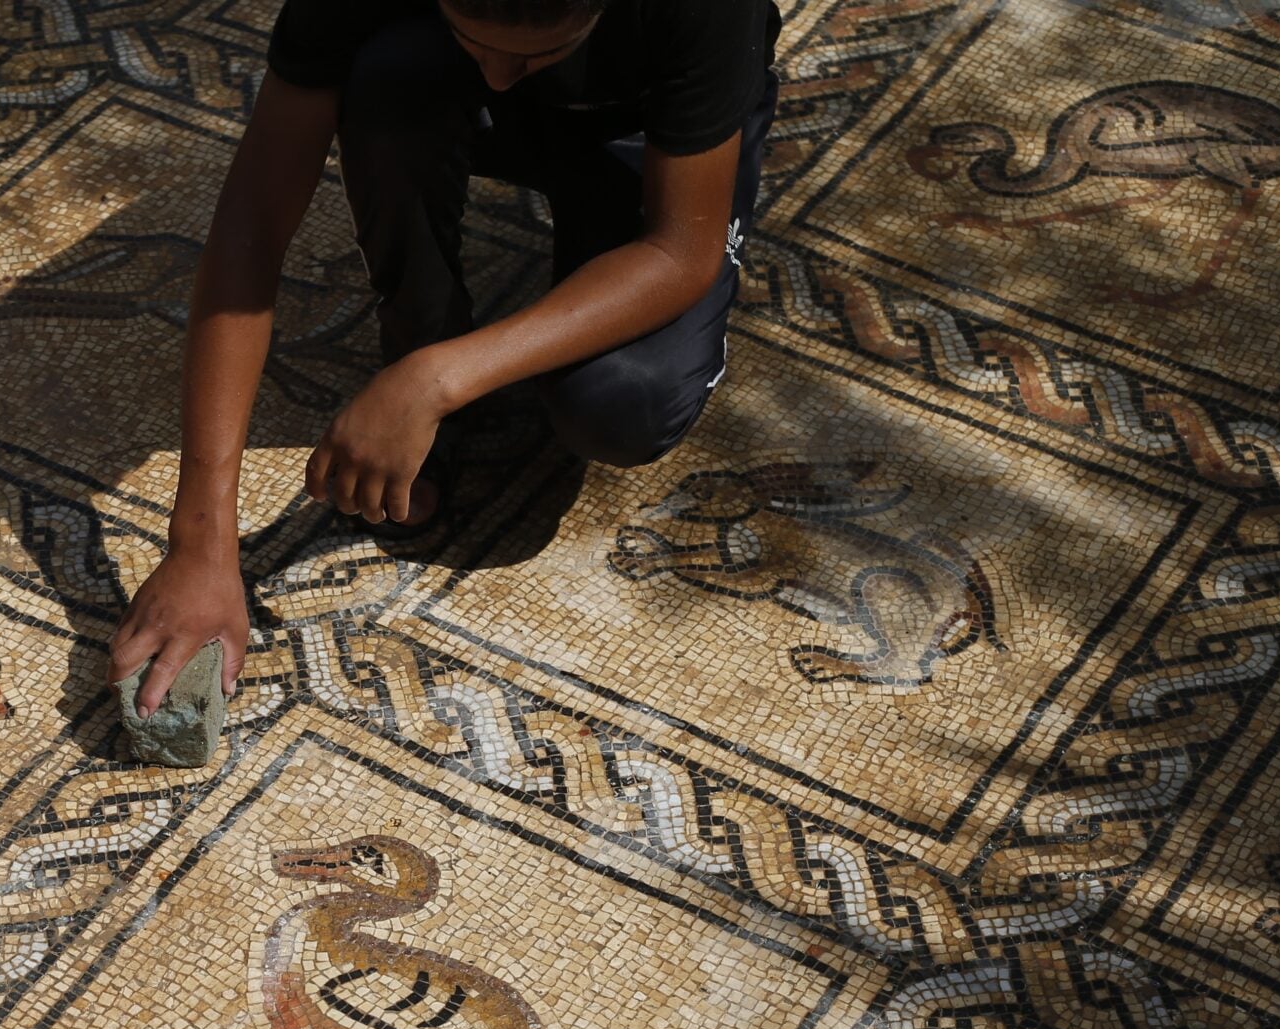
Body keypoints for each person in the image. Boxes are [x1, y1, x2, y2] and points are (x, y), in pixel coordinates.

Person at [107, 0, 782, 716]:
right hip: (446, 90)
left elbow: (679, 253)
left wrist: (437, 380)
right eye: (474, 40)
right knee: (389, 74)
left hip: (647, 129)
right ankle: (420, 326)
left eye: (535, 55)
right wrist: (200, 544)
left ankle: (433, 369)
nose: (500, 77)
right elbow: (255, 219)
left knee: (624, 406)